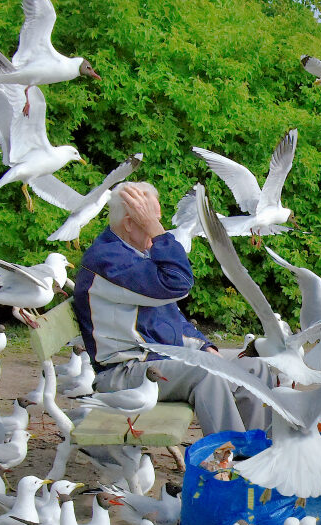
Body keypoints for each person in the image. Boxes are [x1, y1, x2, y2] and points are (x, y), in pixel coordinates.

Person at [73, 182, 269, 435]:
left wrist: (203, 346)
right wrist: (158, 232)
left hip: (158, 359)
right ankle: (228, 463)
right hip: (124, 372)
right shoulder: (109, 261)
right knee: (208, 374)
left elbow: (170, 315)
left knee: (254, 368)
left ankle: (260, 453)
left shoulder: (132, 253)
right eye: (152, 220)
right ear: (130, 224)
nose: (159, 228)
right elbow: (178, 283)